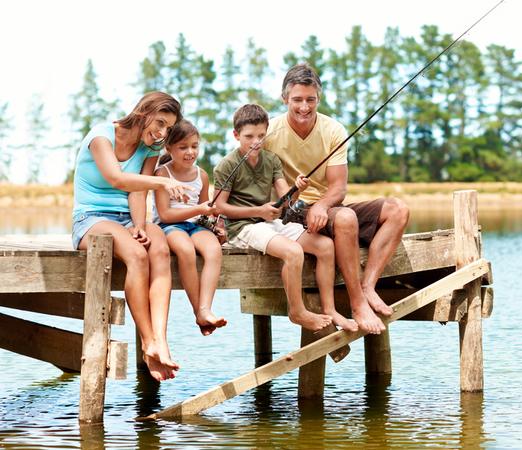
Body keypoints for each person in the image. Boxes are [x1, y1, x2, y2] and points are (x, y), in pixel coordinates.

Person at [265, 63, 410, 335]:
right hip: (291, 210)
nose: (304, 107)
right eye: (297, 100)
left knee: (398, 209)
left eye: (311, 100)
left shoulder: (333, 130)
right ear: (285, 99)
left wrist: (321, 205)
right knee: (345, 217)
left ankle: (367, 286)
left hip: (327, 207)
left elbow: (338, 188)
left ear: (319, 98)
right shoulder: (270, 132)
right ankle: (357, 305)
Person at [71, 91, 188, 381]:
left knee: (158, 245)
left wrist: (139, 225)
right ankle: (147, 342)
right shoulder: (101, 136)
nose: (162, 133)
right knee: (137, 255)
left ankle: (161, 339)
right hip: (91, 218)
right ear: (143, 112)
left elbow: (138, 191)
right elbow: (117, 179)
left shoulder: (149, 149)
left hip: (126, 219)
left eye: (168, 128)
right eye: (159, 123)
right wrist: (162, 181)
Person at [214, 104, 354, 332]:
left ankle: (329, 308)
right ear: (236, 135)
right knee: (293, 251)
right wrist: (259, 211)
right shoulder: (226, 165)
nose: (255, 142)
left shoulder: (271, 160)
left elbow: (285, 198)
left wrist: (296, 188)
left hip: (268, 223)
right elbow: (219, 207)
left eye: (261, 136)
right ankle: (297, 311)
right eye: (249, 136)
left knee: (326, 246)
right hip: (241, 227)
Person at [153, 119, 228, 336]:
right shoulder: (162, 174)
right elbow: (165, 213)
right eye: (183, 147)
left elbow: (204, 211)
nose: (190, 152)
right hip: (169, 226)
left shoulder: (202, 175)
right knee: (185, 250)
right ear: (169, 148)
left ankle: (206, 308)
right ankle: (199, 312)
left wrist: (214, 220)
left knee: (213, 250)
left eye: (194, 146)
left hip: (195, 226)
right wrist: (199, 210)